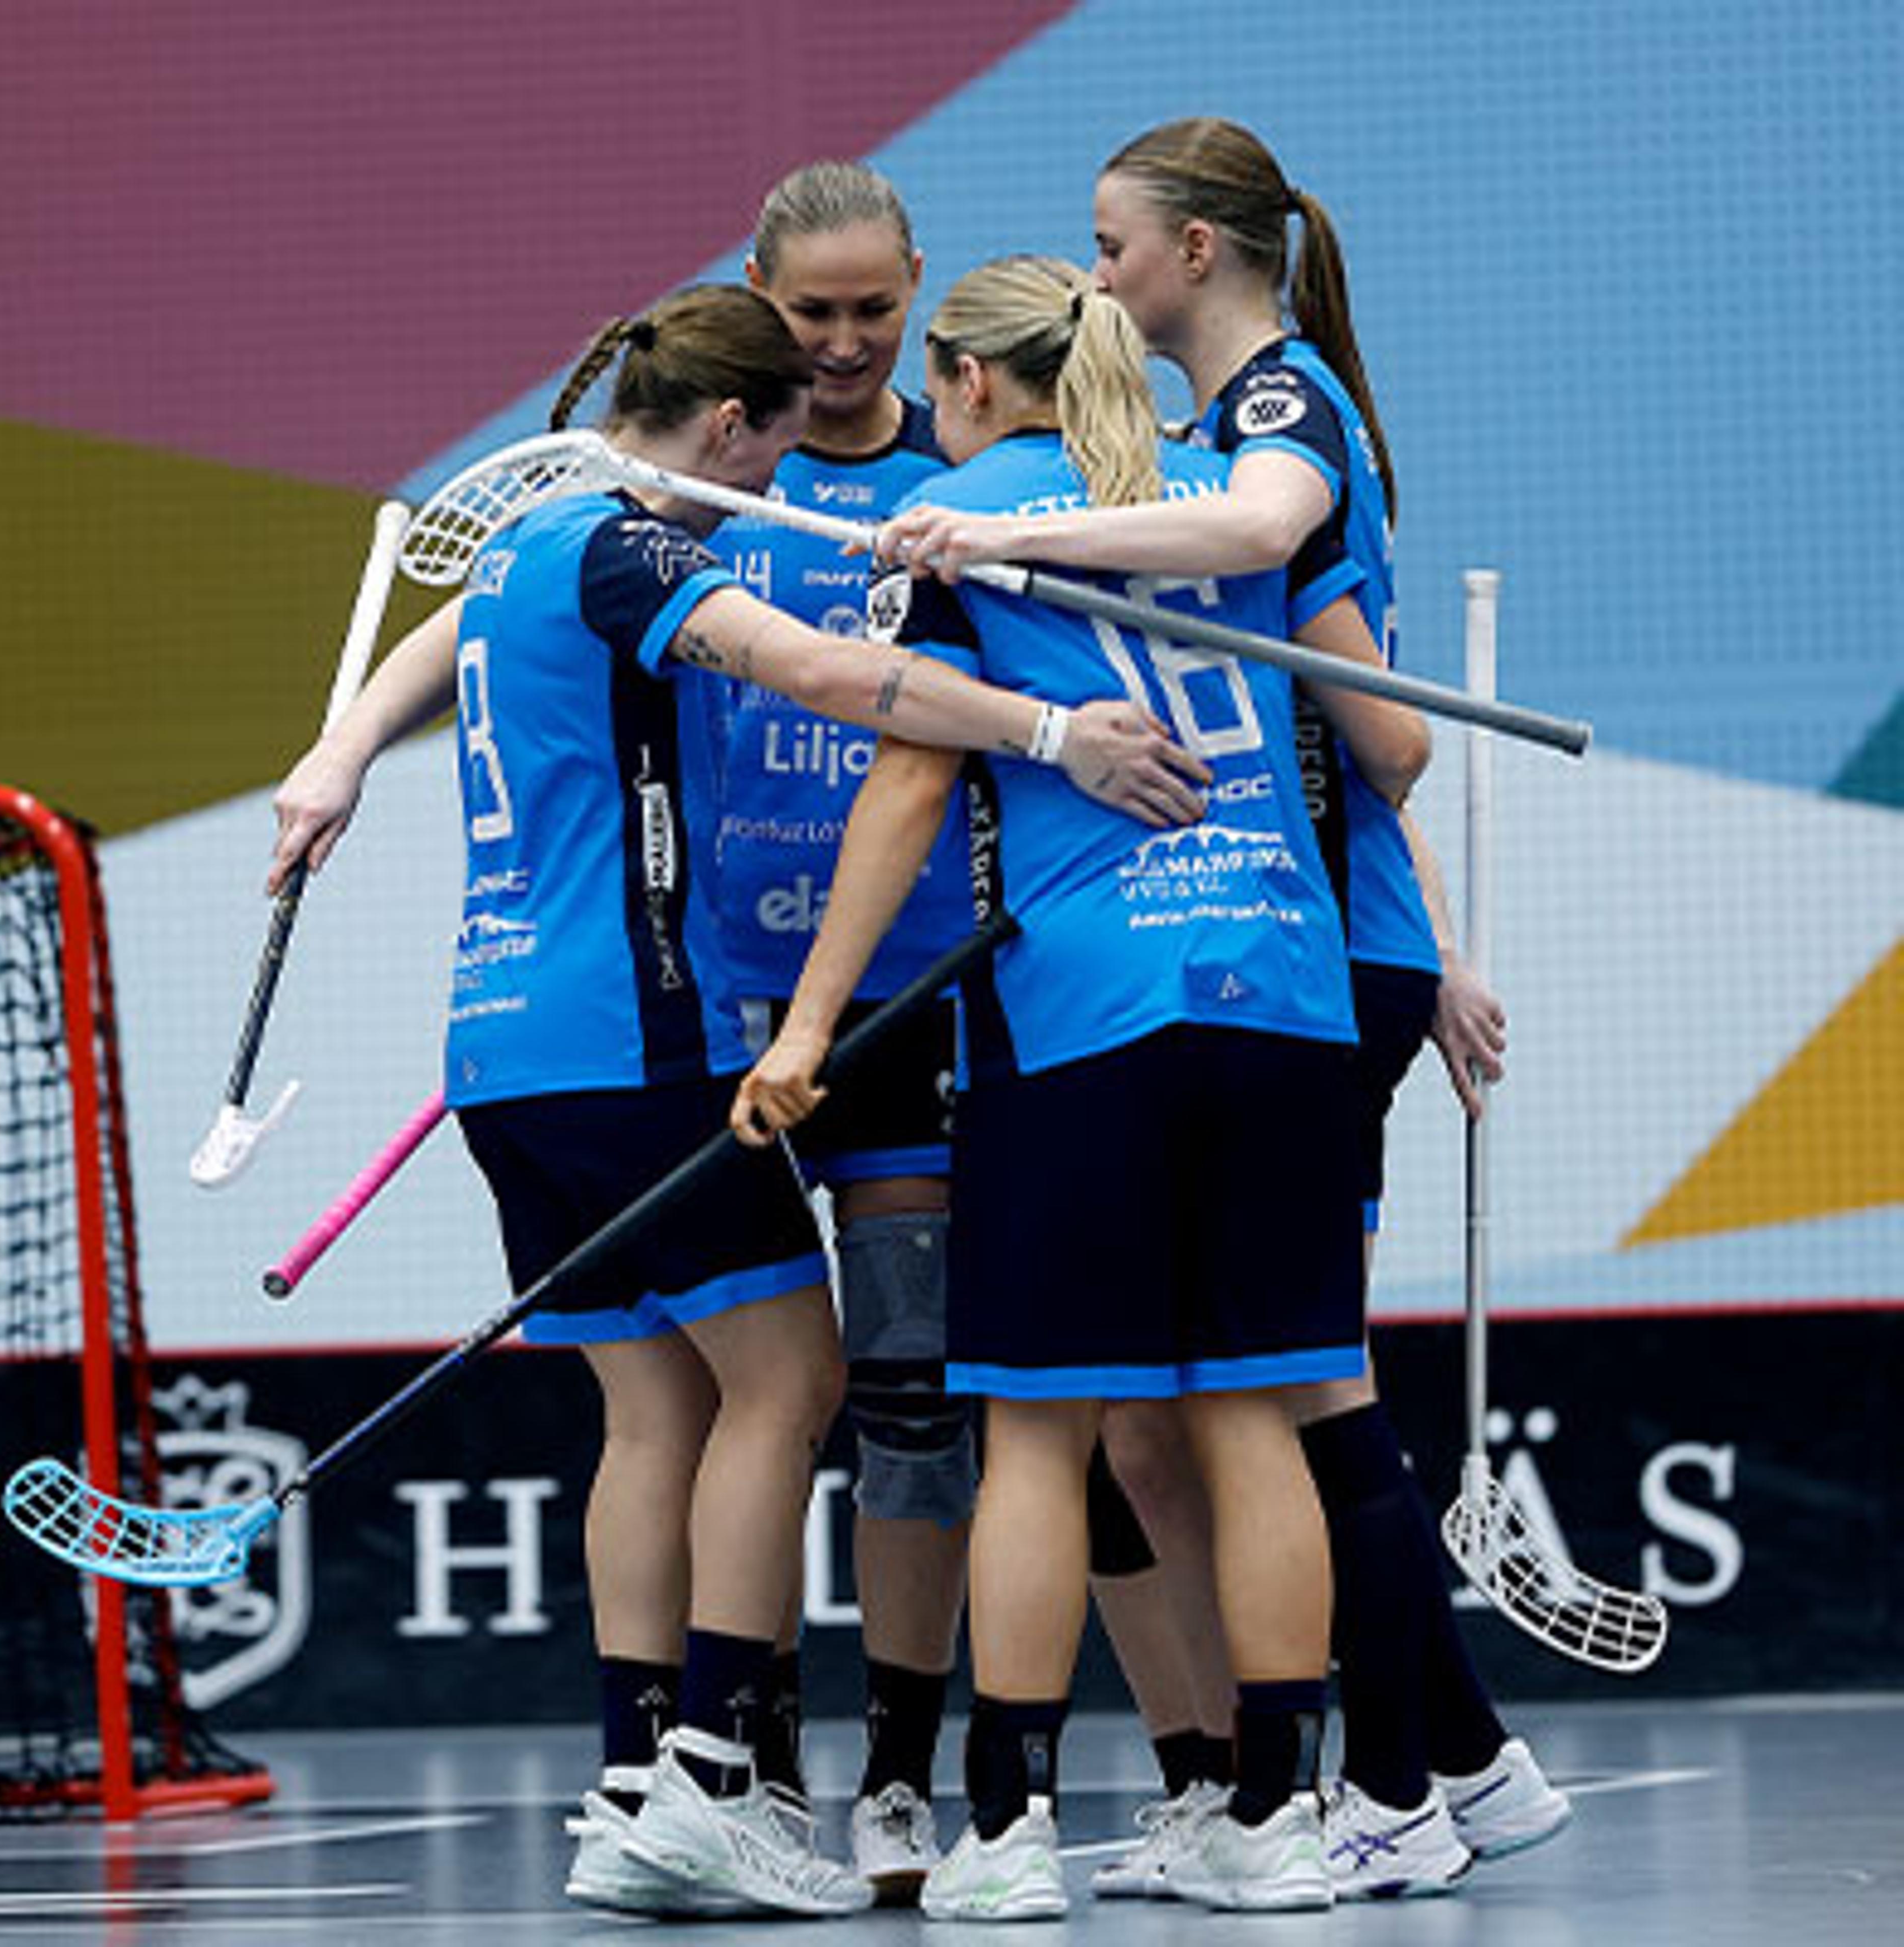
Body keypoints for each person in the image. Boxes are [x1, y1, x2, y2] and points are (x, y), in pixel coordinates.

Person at [268, 279, 1208, 1921]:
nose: (773, 494)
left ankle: (632, 1781)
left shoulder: (519, 548)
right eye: (770, 458)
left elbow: (442, 652)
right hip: (640, 1037)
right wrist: (1053, 727)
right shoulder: (631, 549)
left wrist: (338, 754)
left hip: (502, 1047)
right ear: (722, 429)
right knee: (789, 1385)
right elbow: (829, 677)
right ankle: (716, 1774)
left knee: (655, 1413)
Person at [879, 114, 1570, 1900]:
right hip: (1293, 955)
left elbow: (1386, 724)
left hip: (1212, 972)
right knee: (1250, 1404)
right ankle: (1367, 1778)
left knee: (1267, 1401)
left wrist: (1012, 552)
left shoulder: (1267, 428)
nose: (1100, 266)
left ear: (1196, 249)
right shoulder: (1195, 465)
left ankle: (1397, 1779)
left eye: (1115, 238)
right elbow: (1368, 722)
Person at [734, 254, 1427, 1921]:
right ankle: (1273, 1819)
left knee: (1040, 1438)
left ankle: (1012, 1834)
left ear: (970, 383)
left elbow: (909, 785)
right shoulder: (1217, 494)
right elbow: (1376, 732)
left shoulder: (957, 524)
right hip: (1281, 994)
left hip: (1081, 1018)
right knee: (1259, 1410)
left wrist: (814, 1025)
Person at [706, 161, 970, 1903]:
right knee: (744, 1403)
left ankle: (894, 1779)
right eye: (815, 314)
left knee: (907, 1400)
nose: (851, 343)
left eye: (880, 309)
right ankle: (739, 1769)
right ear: (758, 298)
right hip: (723, 1002)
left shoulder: (968, 491)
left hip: (914, 990)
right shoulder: (711, 482)